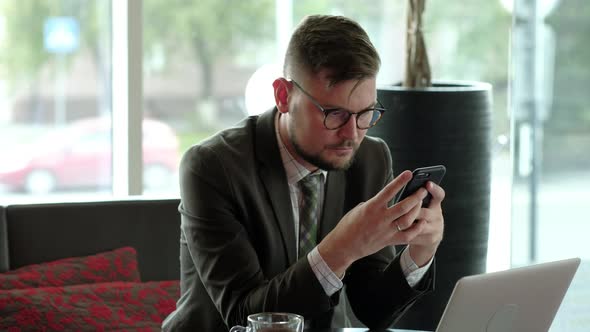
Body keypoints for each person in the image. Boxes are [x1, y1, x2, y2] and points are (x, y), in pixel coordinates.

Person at [162, 14, 445, 331]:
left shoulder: (370, 159)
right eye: (334, 114)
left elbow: (372, 309)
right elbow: (244, 316)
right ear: (284, 96)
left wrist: (421, 250)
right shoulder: (213, 168)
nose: (352, 134)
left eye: (366, 113)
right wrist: (342, 248)